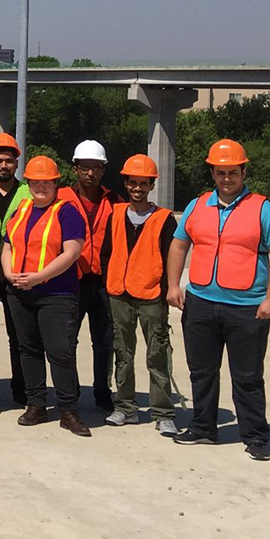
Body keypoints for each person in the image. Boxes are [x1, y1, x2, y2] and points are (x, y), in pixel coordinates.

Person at [166, 139, 270, 460]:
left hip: (248, 308)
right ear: (212, 172)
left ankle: (255, 435)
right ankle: (203, 427)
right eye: (220, 173)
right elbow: (179, 245)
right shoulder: (197, 205)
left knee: (247, 377)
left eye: (232, 173)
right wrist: (173, 285)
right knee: (201, 371)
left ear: (244, 171)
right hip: (200, 303)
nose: (226, 179)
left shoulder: (264, 209)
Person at [3, 156, 90, 437]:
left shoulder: (67, 212)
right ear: (28, 183)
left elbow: (72, 252)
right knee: (28, 349)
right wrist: (9, 273)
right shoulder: (22, 209)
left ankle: (68, 410)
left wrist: (39, 277)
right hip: (20, 291)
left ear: (56, 184)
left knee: (60, 352)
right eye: (35, 182)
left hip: (56, 293)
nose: (40, 187)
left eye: (46, 182)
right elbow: (7, 246)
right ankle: (36, 404)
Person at [101, 154, 178, 435]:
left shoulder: (164, 219)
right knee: (123, 352)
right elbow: (106, 252)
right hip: (118, 293)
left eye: (142, 183)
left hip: (151, 295)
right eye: (132, 182)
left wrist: (169, 289)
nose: (137, 188)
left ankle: (163, 412)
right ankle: (125, 407)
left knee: (157, 354)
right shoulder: (116, 213)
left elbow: (172, 257)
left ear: (151, 185)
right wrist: (108, 282)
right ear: (126, 183)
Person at [59, 140, 122, 413]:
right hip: (71, 281)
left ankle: (102, 391)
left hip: (105, 282)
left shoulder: (116, 201)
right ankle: (69, 391)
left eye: (96, 168)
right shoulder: (60, 198)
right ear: (75, 169)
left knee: (104, 341)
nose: (90, 174)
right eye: (85, 168)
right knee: (67, 339)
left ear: (104, 169)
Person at [0, 133, 32, 406]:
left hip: (17, 275)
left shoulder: (27, 192)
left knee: (19, 335)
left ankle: (21, 389)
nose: (4, 166)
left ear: (16, 164)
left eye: (9, 161)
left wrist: (8, 267)